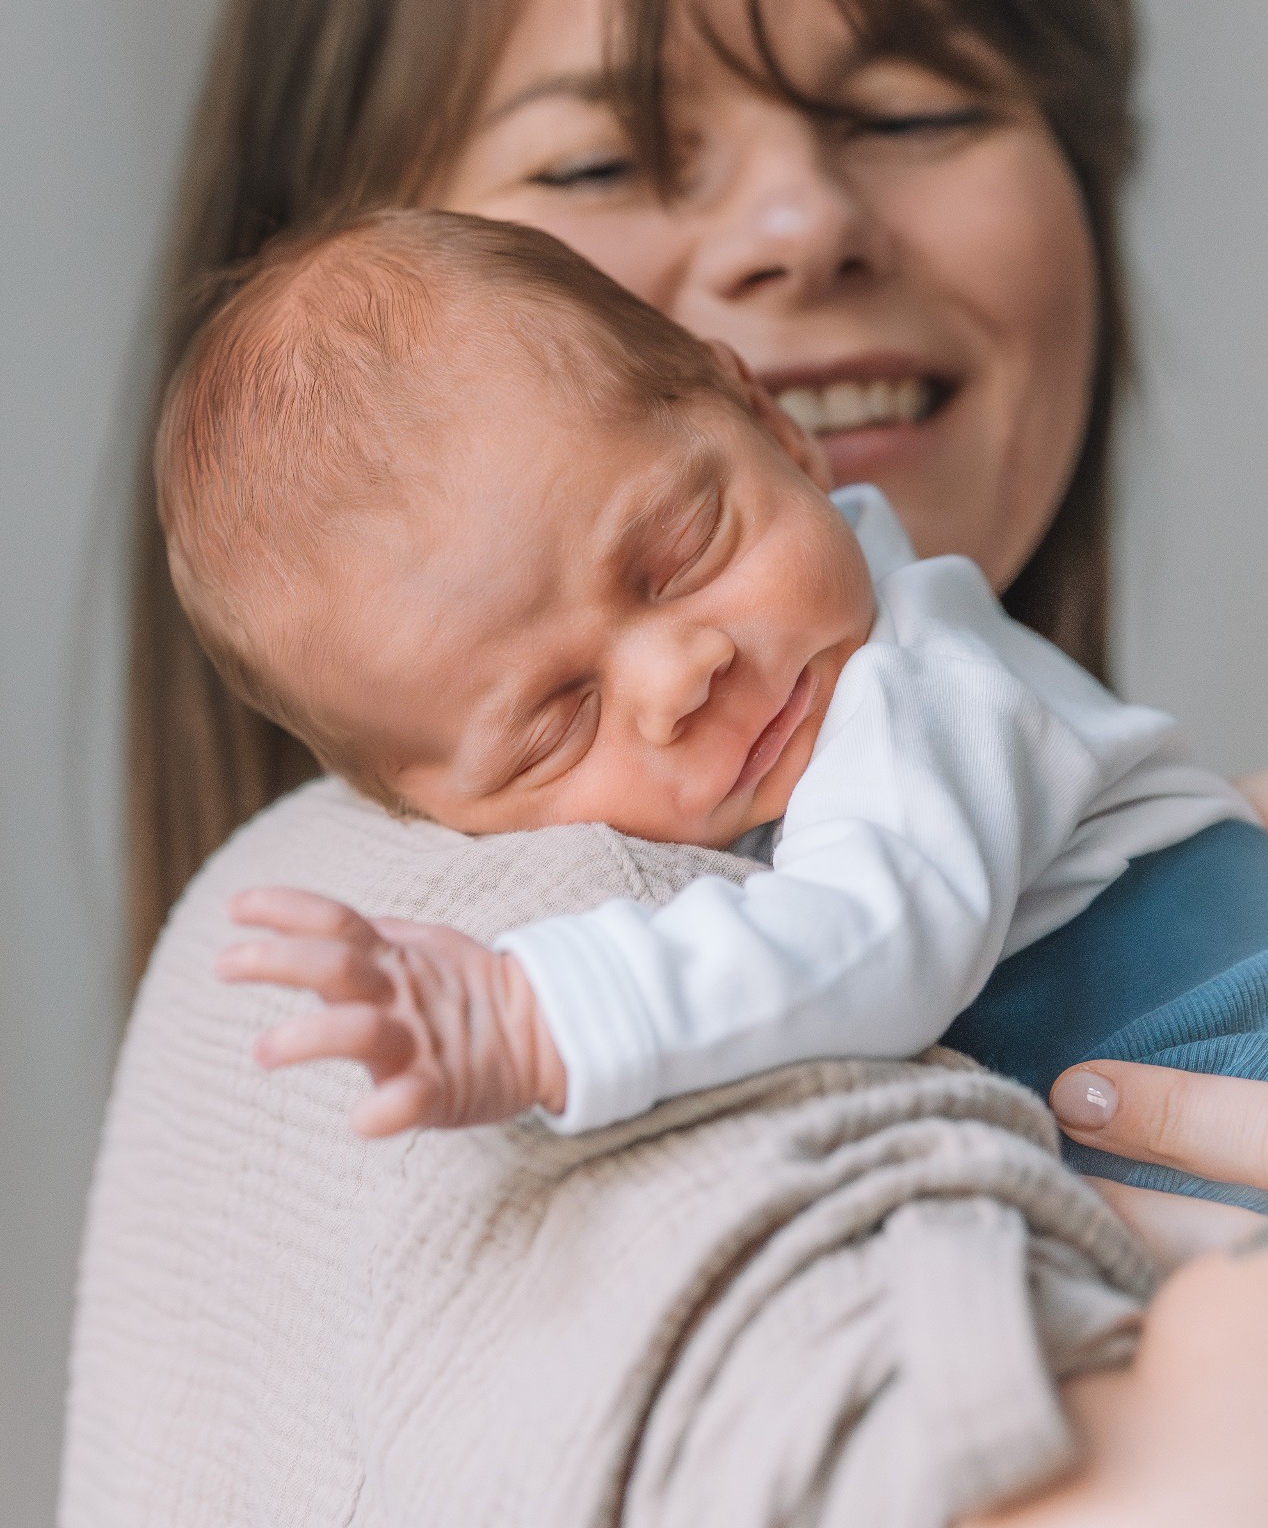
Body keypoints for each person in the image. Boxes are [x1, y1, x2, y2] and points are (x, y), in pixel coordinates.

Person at [80, 0, 1268, 1520]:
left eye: (913, 108)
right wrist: (533, 1020)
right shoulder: (415, 959)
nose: (803, 222)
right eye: (606, 158)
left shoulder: (925, 734)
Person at [150, 206, 1259, 1183]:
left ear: (772, 427)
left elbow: (870, 944)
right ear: (425, 808)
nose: (680, 674)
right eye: (556, 721)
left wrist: (539, 1012)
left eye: (683, 551)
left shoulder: (920, 677)